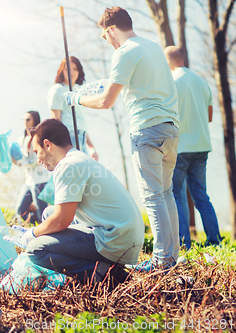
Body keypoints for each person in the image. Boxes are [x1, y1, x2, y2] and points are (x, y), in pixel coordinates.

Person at [64, 7, 180, 272]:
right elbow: (135, 83)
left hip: (147, 130)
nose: (107, 41)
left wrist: (77, 99)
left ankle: (162, 261)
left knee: (152, 196)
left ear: (112, 29)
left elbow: (106, 102)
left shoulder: (124, 52)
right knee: (166, 193)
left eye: (105, 36)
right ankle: (171, 257)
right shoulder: (152, 47)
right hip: (171, 128)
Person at [5, 119, 144, 286]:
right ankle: (102, 265)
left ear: (48, 145)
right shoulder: (78, 158)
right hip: (123, 233)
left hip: (116, 240)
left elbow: (61, 221)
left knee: (36, 249)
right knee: (48, 213)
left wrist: (32, 233)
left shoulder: (68, 165)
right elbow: (57, 215)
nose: (38, 159)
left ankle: (105, 275)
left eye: (36, 152)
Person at [164, 46, 221, 249]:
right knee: (201, 196)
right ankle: (215, 242)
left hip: (180, 147)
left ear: (168, 61)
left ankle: (184, 244)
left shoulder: (171, 82)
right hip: (202, 145)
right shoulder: (201, 81)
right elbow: (210, 117)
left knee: (176, 194)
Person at [47, 57, 98, 159]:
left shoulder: (80, 92)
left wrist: (91, 146)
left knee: (85, 172)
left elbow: (81, 122)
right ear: (62, 71)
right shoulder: (57, 90)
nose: (72, 72)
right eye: (67, 69)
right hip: (69, 137)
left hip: (81, 136)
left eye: (75, 68)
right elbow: (56, 121)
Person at [13, 111, 51, 224]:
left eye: (28, 119)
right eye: (24, 119)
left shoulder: (39, 138)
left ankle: (46, 232)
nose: (25, 122)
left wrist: (20, 163)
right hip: (28, 181)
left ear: (35, 121)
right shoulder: (21, 139)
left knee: (42, 212)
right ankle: (36, 227)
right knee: (20, 210)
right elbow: (18, 156)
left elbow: (36, 160)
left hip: (40, 181)